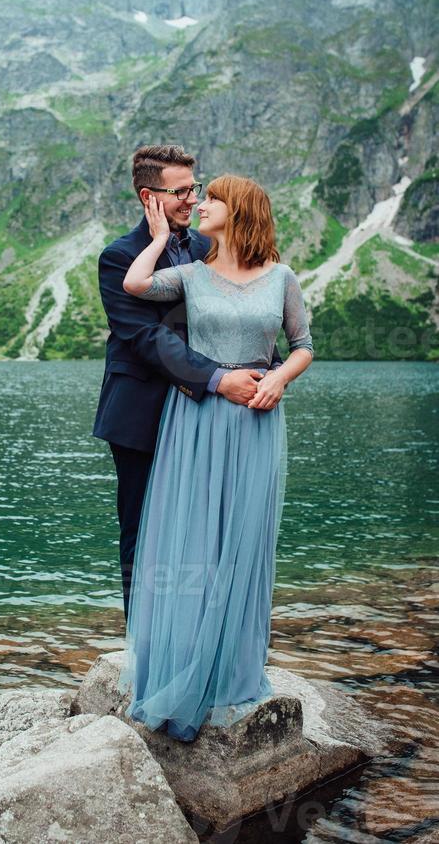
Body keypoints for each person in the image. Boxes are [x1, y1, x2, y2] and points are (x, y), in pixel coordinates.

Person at [116, 173, 314, 742]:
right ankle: (180, 662)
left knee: (244, 539)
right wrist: (156, 234)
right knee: (195, 536)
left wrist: (277, 380)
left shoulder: (282, 277)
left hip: (257, 417)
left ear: (240, 210)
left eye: (212, 199)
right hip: (197, 421)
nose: (200, 205)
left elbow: (303, 346)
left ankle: (231, 669)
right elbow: (134, 284)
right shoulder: (190, 275)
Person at [92, 145, 285, 620]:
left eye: (194, 188)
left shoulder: (205, 246)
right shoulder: (119, 257)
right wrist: (220, 379)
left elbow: (241, 312)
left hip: (207, 415)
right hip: (142, 414)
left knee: (207, 526)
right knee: (144, 532)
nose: (191, 199)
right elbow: (146, 337)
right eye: (180, 191)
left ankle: (202, 634)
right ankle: (145, 646)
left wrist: (268, 374)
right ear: (148, 196)